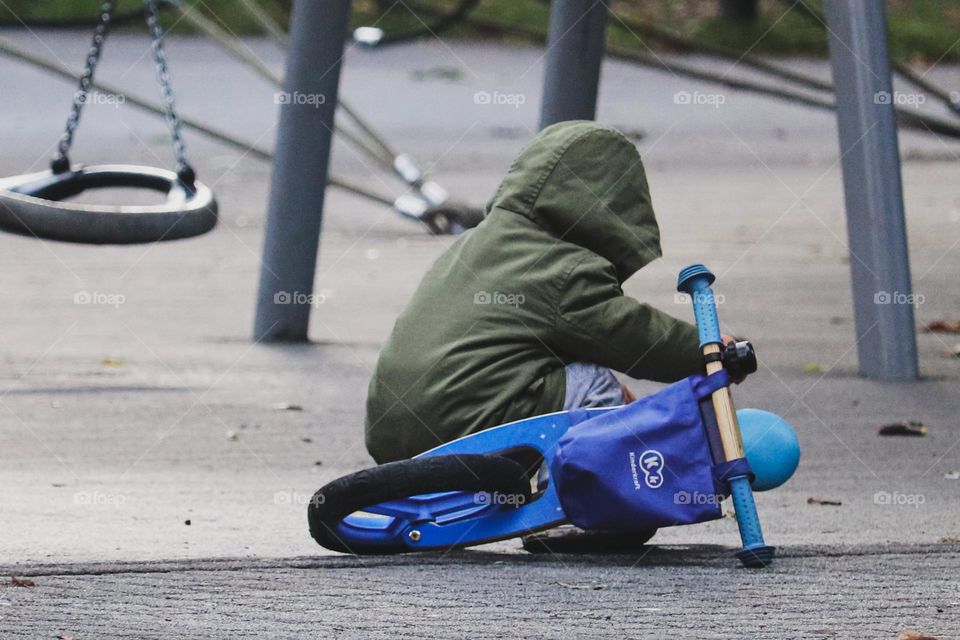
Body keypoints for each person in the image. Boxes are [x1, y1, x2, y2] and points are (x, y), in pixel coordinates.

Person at [365, 120, 716, 465]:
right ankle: (584, 505)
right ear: (613, 207)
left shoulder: (475, 243)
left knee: (543, 369)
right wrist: (709, 350)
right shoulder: (564, 269)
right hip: (462, 428)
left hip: (391, 434)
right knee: (595, 386)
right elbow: (630, 335)